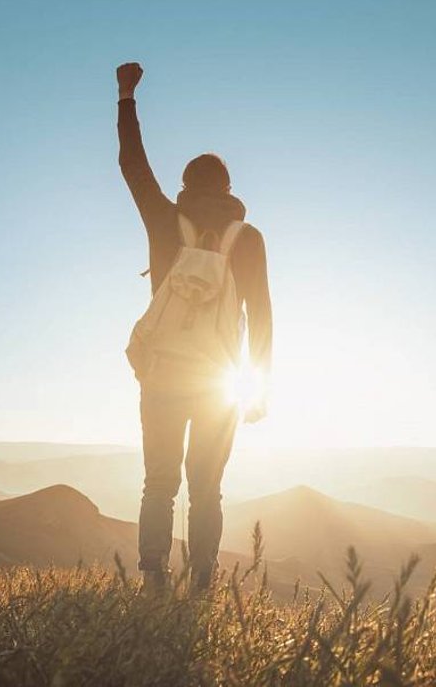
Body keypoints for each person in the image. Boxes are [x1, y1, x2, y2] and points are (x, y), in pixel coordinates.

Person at [115, 61, 272, 591]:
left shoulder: (163, 219)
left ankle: (154, 581)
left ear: (184, 186)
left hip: (162, 375)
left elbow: (132, 166)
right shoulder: (247, 239)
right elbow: (263, 316)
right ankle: (202, 582)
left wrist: (126, 96)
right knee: (207, 488)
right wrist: (258, 386)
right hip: (218, 381)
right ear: (230, 188)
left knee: (158, 484)